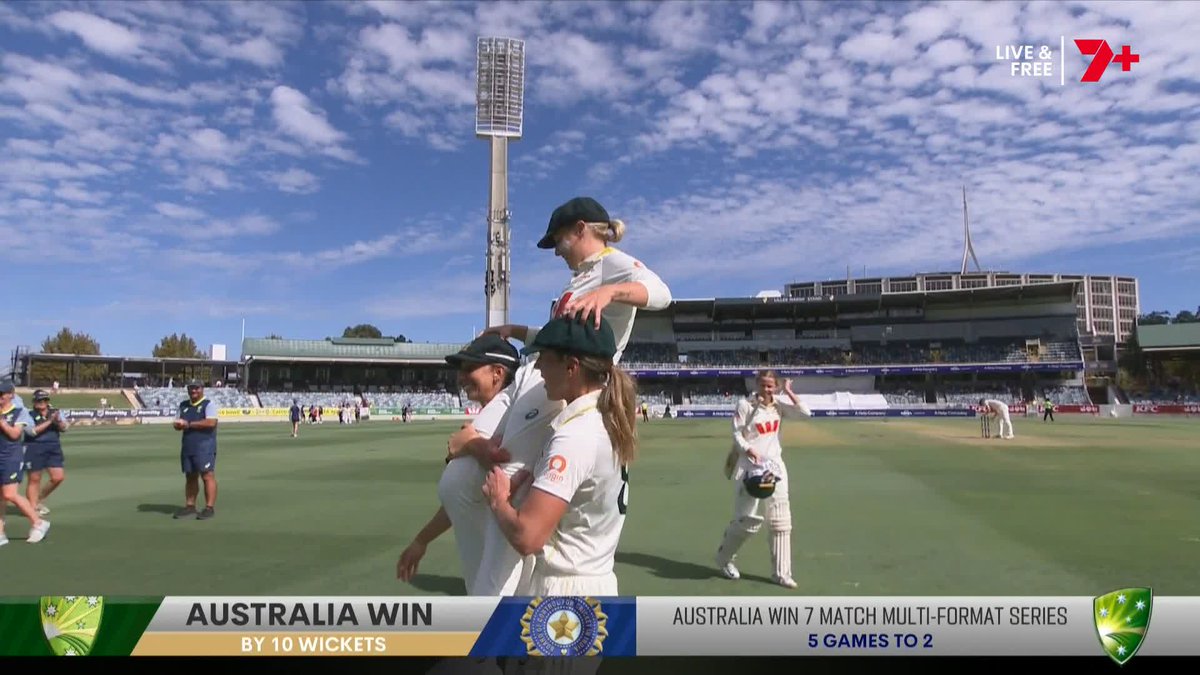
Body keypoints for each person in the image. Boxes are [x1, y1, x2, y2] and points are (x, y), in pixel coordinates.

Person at [444, 196, 671, 596]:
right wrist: (516, 331)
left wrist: (611, 294)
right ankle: (490, 588)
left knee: (508, 477)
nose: (556, 252)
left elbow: (661, 292)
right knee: (457, 477)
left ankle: (492, 608)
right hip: (536, 372)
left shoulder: (611, 264)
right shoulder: (579, 277)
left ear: (581, 230)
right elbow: (558, 336)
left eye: (558, 240)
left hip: (557, 383)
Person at [483, 314, 637, 596]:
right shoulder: (606, 420)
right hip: (597, 581)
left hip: (565, 590)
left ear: (571, 367)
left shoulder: (575, 436)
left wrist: (498, 501)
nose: (538, 366)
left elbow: (528, 537)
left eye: (544, 357)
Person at [397, 334, 519, 587]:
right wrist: (422, 539)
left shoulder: (508, 418)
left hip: (505, 586)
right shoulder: (488, 420)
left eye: (469, 368)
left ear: (497, 373)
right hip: (485, 580)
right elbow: (463, 498)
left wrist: (471, 445)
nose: (461, 377)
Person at [715, 371, 811, 589]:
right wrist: (748, 449)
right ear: (757, 384)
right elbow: (737, 433)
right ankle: (724, 558)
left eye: (770, 386)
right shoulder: (745, 405)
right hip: (749, 467)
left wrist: (789, 391)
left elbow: (805, 413)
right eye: (763, 385)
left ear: (775, 387)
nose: (766, 390)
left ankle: (781, 574)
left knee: (780, 521)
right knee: (746, 521)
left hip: (775, 467)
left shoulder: (779, 406)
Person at [0, 380, 50, 545]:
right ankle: (0, 533)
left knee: (9, 494)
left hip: (11, 457)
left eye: (2, 394)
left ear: (11, 395)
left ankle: (39, 523)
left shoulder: (19, 412)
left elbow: (15, 434)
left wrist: (1, 422)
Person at [173, 381, 220, 520]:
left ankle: (209, 508)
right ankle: (190, 506)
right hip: (188, 445)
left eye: (196, 388)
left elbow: (211, 422)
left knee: (207, 475)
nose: (193, 391)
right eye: (191, 388)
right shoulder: (183, 405)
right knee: (190, 476)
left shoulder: (208, 404)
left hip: (205, 446)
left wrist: (188, 424)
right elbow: (178, 423)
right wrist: (178, 425)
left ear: (202, 389)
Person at [24, 389, 68, 516]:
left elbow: (65, 428)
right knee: (34, 479)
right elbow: (31, 432)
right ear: (34, 401)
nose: (42, 402)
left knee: (58, 477)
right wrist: (49, 421)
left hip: (53, 448)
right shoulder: (28, 414)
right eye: (39, 400)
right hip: (34, 447)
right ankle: (32, 509)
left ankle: (39, 499)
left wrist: (58, 421)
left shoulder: (56, 412)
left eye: (44, 400)